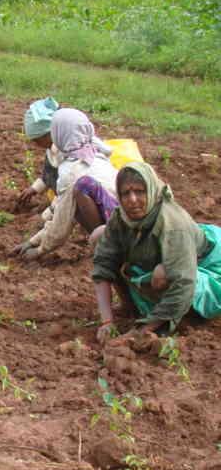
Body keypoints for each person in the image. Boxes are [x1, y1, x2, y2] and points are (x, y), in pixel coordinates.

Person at [92, 162, 221, 343]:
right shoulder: (121, 218)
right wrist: (107, 322)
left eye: (140, 191)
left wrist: (140, 332)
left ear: (151, 190)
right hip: (170, 254)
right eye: (125, 193)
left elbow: (184, 283)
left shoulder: (172, 225)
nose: (132, 199)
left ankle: (186, 317)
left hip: (207, 264)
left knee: (163, 274)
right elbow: (103, 265)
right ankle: (130, 306)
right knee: (99, 236)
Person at [13, 108, 119, 261]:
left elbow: (62, 221)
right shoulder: (94, 152)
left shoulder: (71, 170)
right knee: (74, 202)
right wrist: (32, 241)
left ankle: (107, 248)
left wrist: (39, 250)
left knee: (77, 199)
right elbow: (61, 208)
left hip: (119, 227)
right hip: (125, 219)